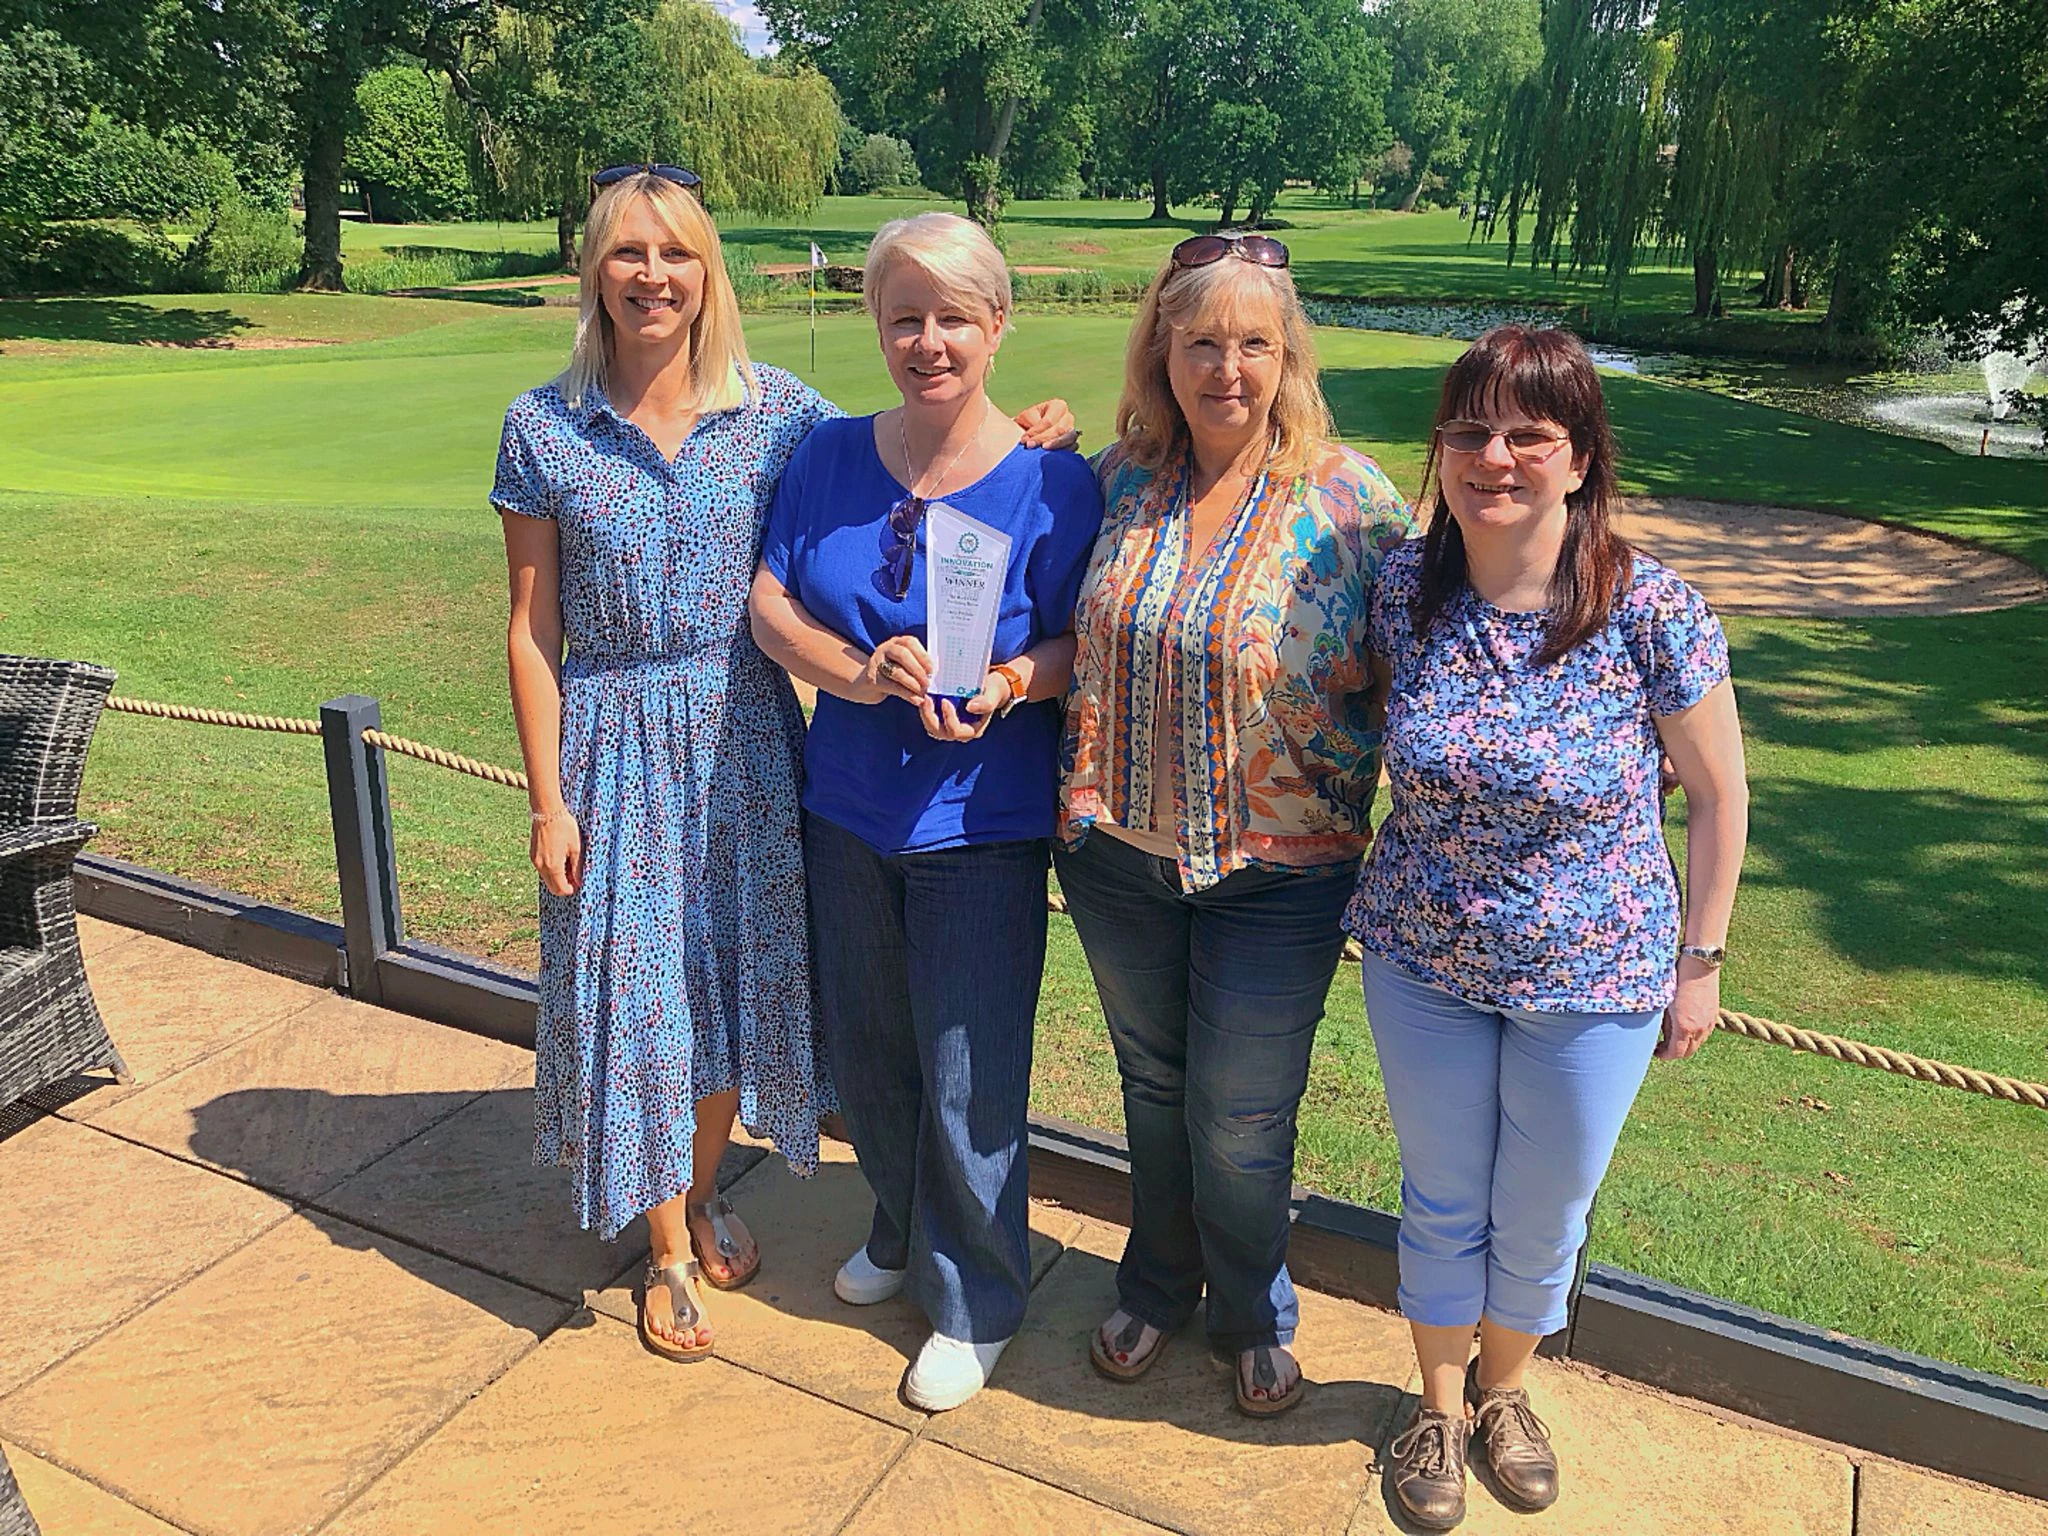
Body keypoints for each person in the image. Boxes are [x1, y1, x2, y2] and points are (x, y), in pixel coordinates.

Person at [495, 170, 1071, 1366]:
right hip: (613, 742)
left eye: (676, 254)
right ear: (593, 269)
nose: (651, 275)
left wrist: (1031, 436)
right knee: (643, 1003)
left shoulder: (780, 415)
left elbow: (917, 450)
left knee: (726, 994)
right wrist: (547, 796)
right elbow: (529, 627)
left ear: (709, 273)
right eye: (626, 253)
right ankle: (662, 1249)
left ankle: (703, 1196)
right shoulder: (543, 427)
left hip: (753, 747)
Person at [1350, 325, 1748, 1529]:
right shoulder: (1402, 595)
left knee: (1544, 1206)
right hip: (1421, 962)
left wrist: (1701, 966)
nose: (1494, 456)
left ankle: (1503, 1390)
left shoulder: (1649, 611)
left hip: (1593, 977)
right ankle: (1431, 1404)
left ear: (1578, 459)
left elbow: (1721, 794)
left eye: (1528, 434)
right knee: (1439, 1194)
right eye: (1468, 431)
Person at [1054, 232, 1414, 1416]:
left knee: (1242, 1118)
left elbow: (1435, 663)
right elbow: (1032, 609)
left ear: (1285, 356)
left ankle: (1252, 1309)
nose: (1225, 368)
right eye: (1200, 341)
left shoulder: (1351, 500)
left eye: (1251, 343)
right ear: (1161, 349)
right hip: (1118, 856)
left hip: (1281, 874)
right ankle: (1158, 1285)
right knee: (1152, 1090)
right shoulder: (1114, 479)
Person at [749, 212, 1103, 1412]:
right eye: (905, 315)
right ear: (876, 325)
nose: (928, 340)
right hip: (845, 806)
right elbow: (770, 601)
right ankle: (902, 1231)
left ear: (997, 326)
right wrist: (853, 673)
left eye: (954, 316)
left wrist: (1007, 680)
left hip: (979, 822)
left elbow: (1071, 642)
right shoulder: (829, 457)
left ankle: (977, 1299)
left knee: (967, 1069)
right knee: (870, 1049)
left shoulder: (1054, 483)